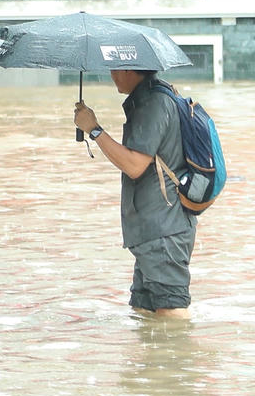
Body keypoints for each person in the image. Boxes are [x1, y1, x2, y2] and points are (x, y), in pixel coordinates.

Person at [73, 69, 197, 319]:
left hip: (163, 232)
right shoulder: (152, 97)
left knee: (173, 317)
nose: (111, 75)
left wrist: (95, 130)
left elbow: (134, 166)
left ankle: (182, 360)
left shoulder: (154, 104)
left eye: (114, 69)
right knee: (144, 315)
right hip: (153, 232)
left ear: (129, 68)